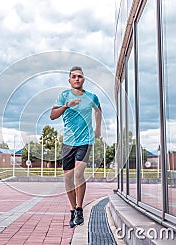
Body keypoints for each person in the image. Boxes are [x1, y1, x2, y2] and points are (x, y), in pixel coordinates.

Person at [50, 66, 102, 228]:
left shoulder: (91, 96)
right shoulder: (63, 96)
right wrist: (67, 105)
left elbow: (98, 110)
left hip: (85, 141)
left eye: (80, 76)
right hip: (68, 143)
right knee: (68, 178)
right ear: (69, 80)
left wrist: (98, 129)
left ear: (83, 79)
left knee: (78, 174)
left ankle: (80, 208)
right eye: (74, 76)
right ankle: (73, 210)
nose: (77, 79)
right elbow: (52, 116)